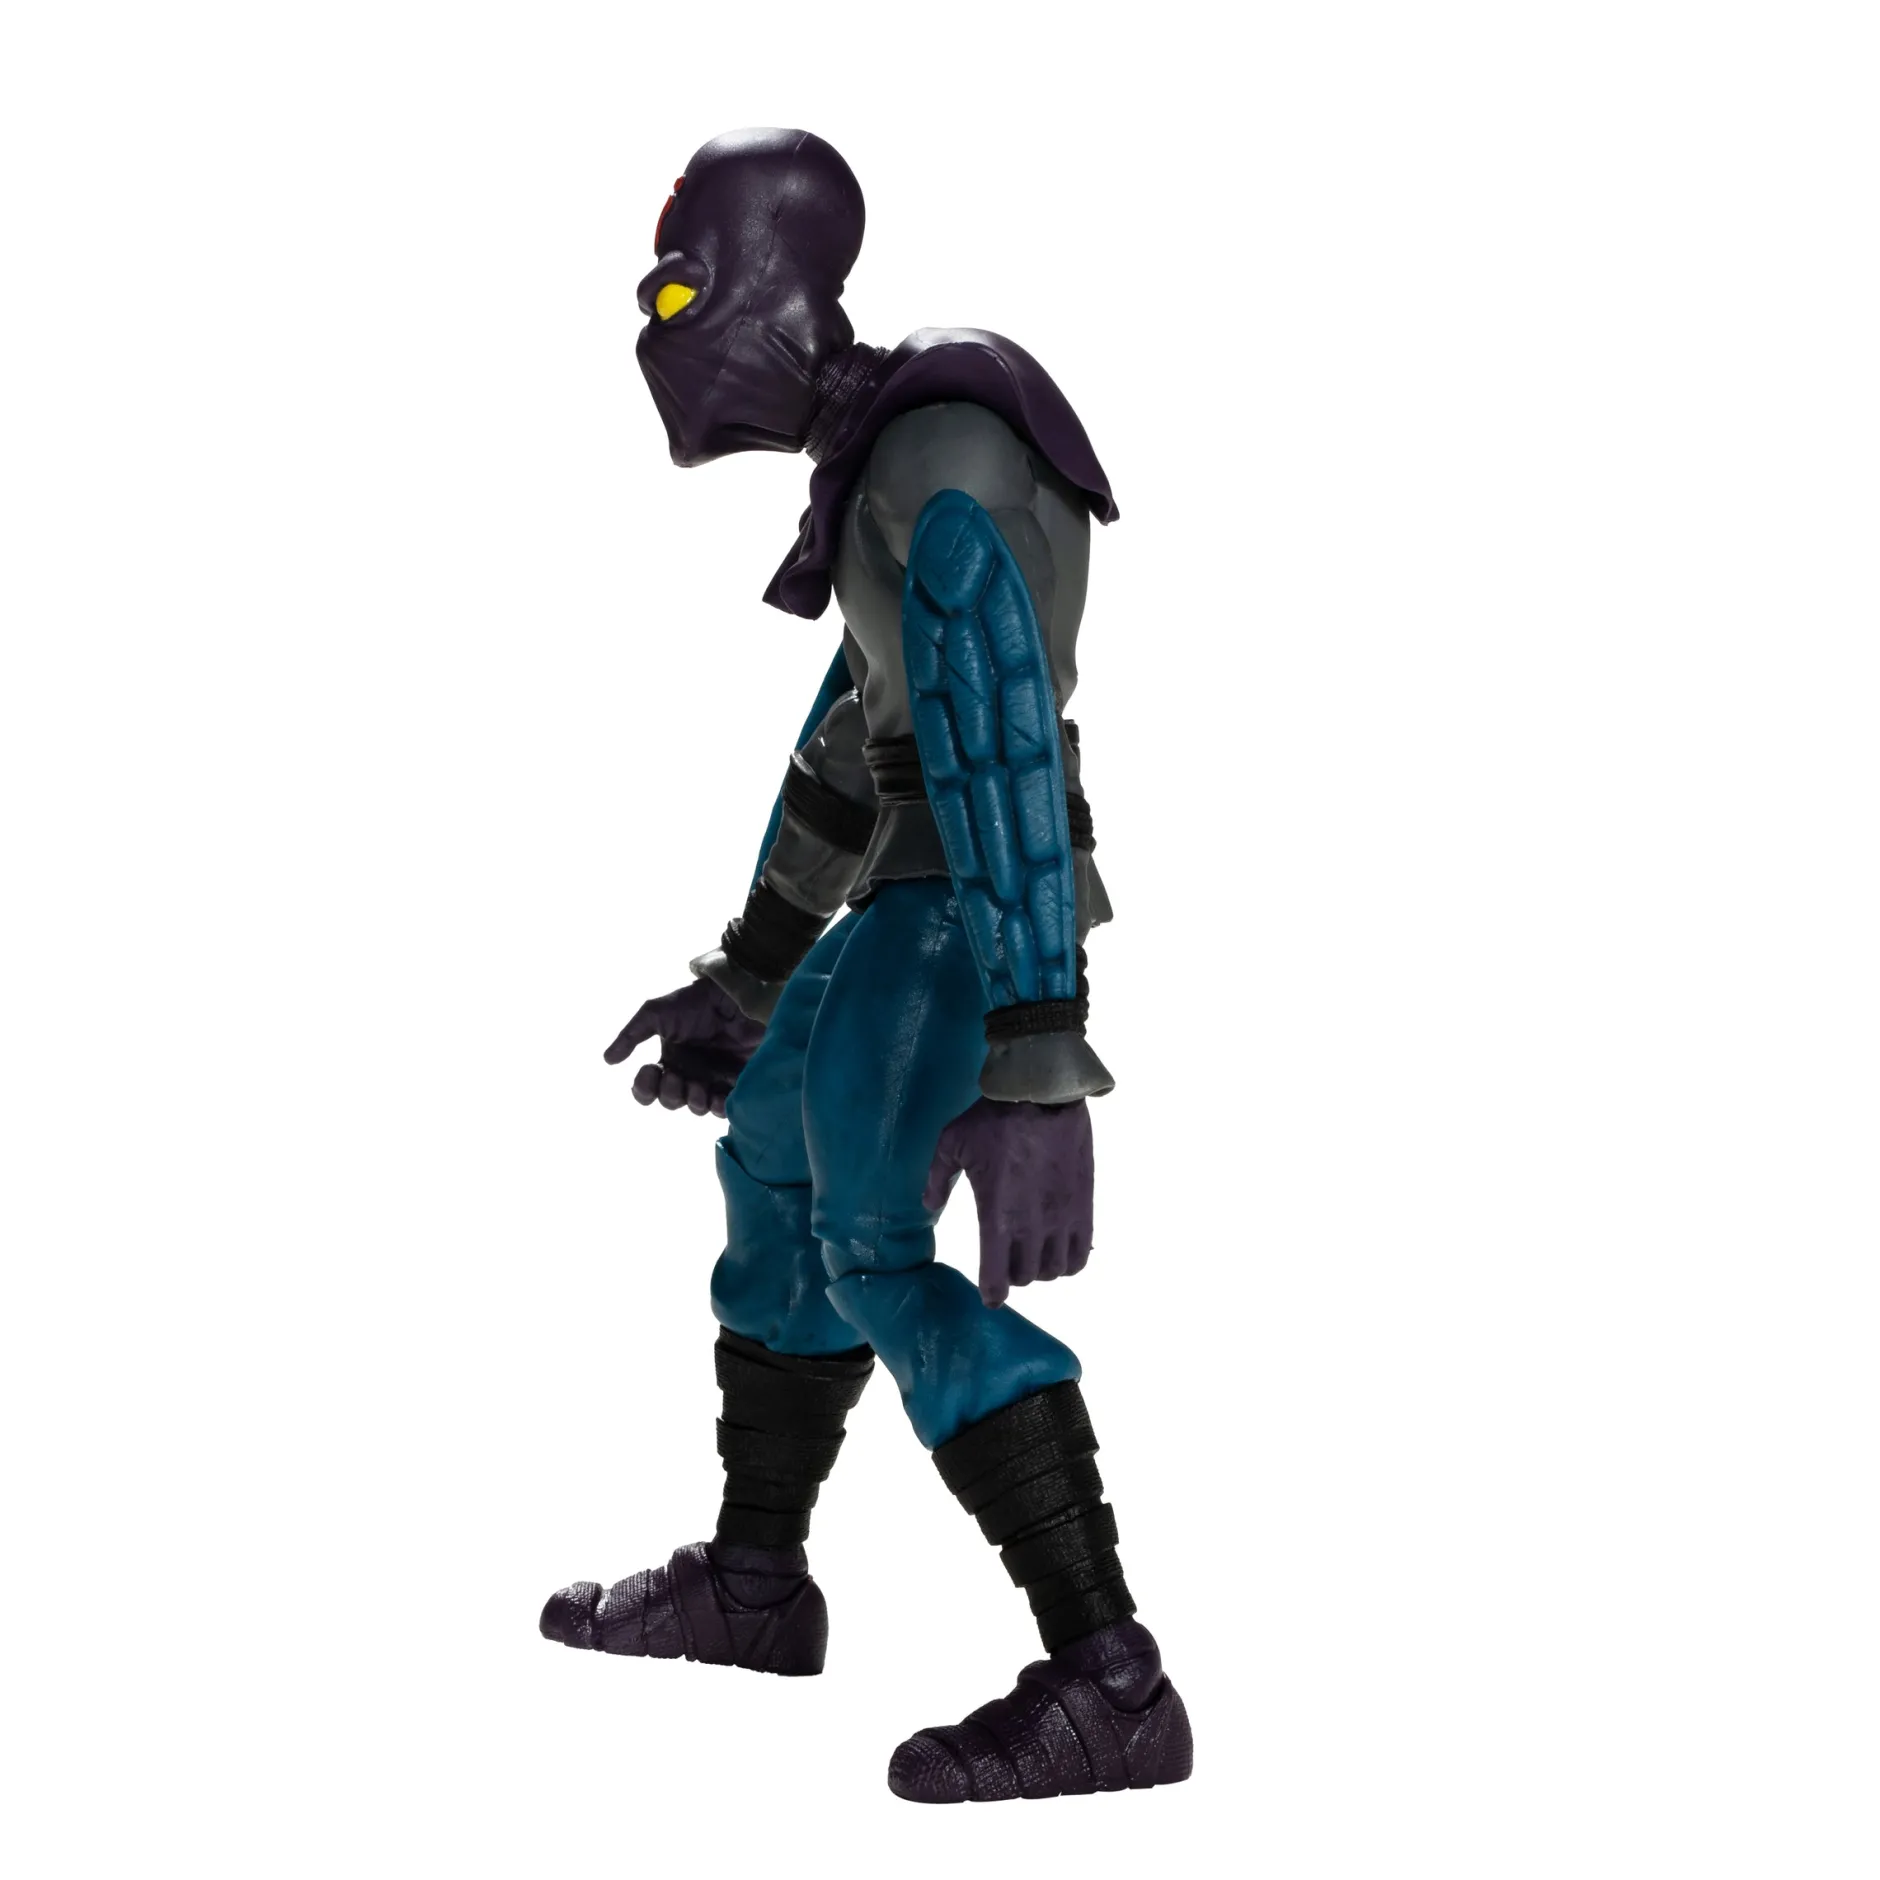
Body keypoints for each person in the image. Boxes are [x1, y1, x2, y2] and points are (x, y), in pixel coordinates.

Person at [540, 127, 1192, 1803]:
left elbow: (1002, 746)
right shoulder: (893, 453)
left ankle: (1110, 1676)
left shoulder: (939, 451)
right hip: (908, 901)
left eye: (680, 288)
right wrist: (751, 976)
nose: (662, 326)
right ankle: (757, 1583)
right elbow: (864, 733)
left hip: (962, 912)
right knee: (772, 1150)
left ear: (781, 289)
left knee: (878, 1253)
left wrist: (1038, 1064)